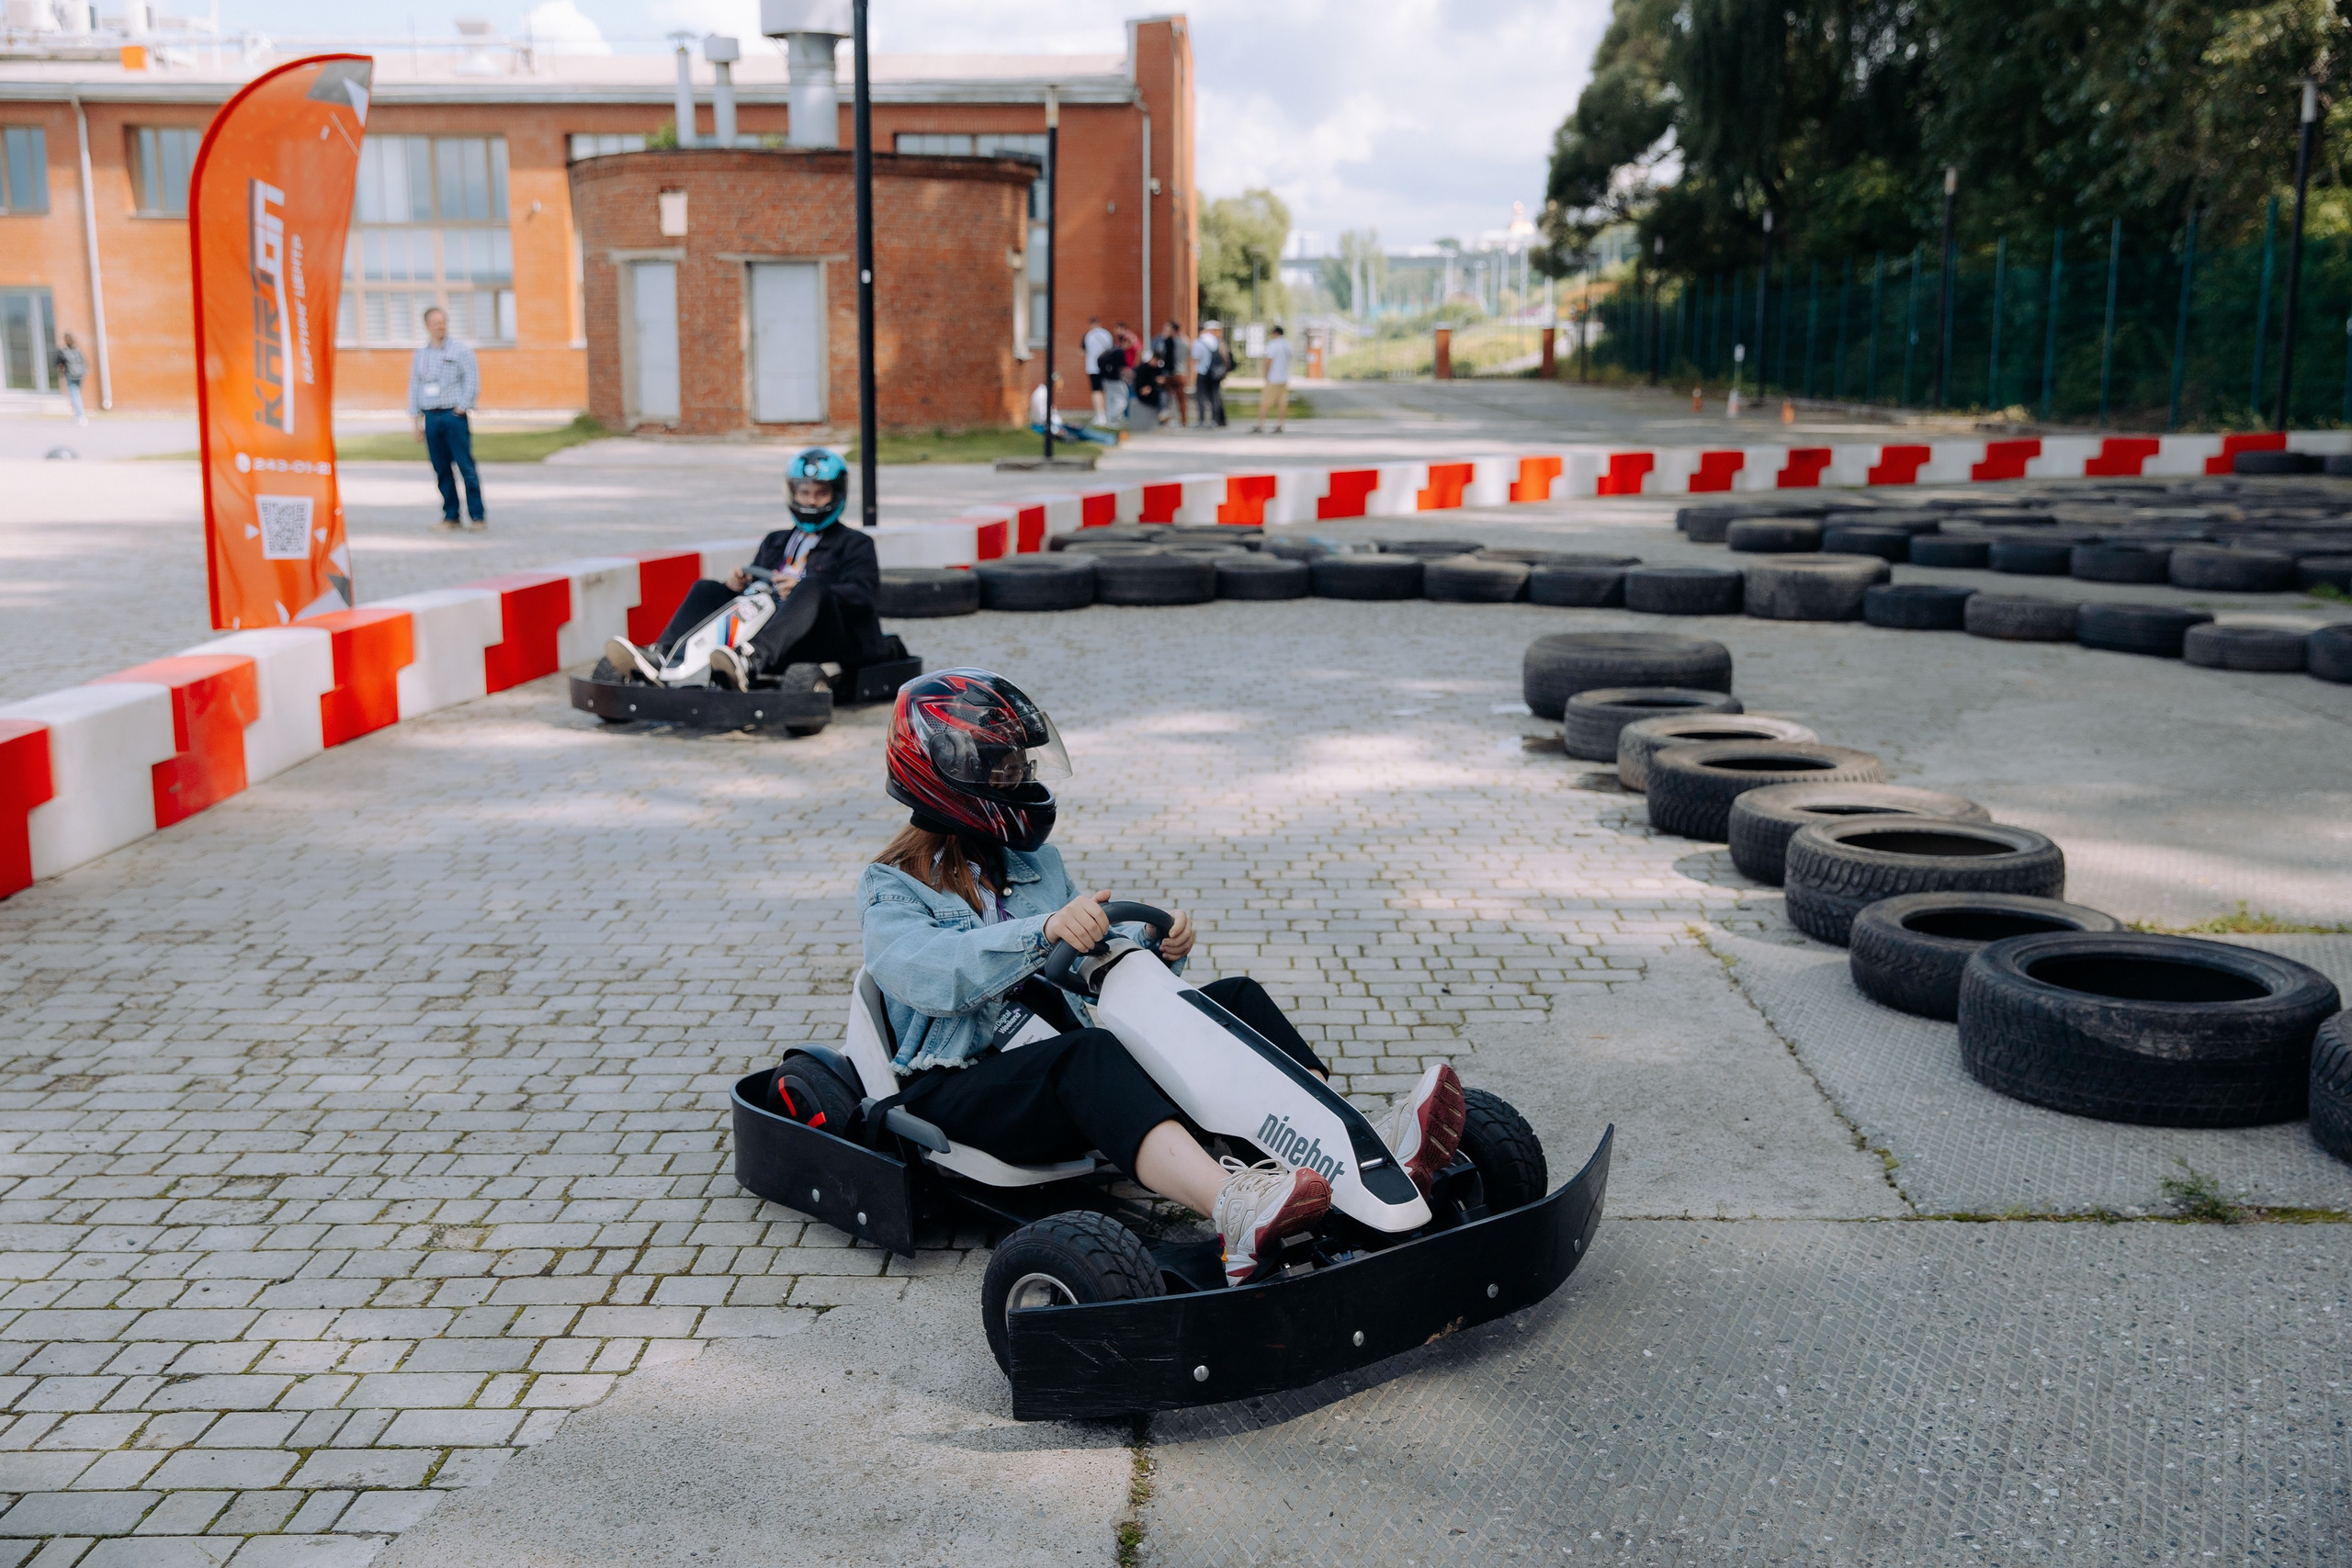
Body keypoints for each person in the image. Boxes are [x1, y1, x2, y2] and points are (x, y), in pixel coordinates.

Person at [858, 669, 1466, 1288]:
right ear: (949, 773)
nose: (1017, 780)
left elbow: (1086, 958)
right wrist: (1041, 932)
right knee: (1090, 1054)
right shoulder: (892, 886)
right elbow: (929, 972)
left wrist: (1154, 945)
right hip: (957, 1086)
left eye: (1019, 767)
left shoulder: (1033, 864)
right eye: (1001, 771)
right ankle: (1232, 1206)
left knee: (1234, 998)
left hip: (1050, 1058)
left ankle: (1350, 1147)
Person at [605, 448, 885, 689]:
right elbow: (755, 596)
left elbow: (862, 596)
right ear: (793, 493)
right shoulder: (776, 541)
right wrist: (736, 586)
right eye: (805, 493)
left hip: (823, 637)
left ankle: (750, 659)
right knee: (707, 588)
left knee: (812, 586)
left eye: (821, 494)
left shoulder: (855, 544)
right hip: (770, 627)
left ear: (836, 495)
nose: (811, 501)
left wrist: (803, 590)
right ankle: (663, 655)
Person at [408, 306, 485, 534]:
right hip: (431, 417)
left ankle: (477, 516)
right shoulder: (421, 355)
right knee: (441, 469)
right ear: (427, 326)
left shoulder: (461, 351)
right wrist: (416, 422)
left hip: (453, 416)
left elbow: (472, 380)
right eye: (435, 323)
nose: (440, 326)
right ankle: (451, 516)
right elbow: (414, 387)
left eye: (443, 322)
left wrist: (462, 408)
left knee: (465, 466)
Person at [1253, 324, 1293, 434]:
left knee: (1265, 401)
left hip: (1273, 378)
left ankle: (1260, 425)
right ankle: (1280, 425)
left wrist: (1265, 375)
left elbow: (1268, 361)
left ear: (1275, 333)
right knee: (1282, 403)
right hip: (1284, 378)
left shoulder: (1273, 344)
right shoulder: (1288, 345)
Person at [1193, 321, 1229, 427]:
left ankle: (1202, 420)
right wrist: (1225, 371)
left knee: (1201, 396)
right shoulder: (1216, 341)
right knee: (1215, 396)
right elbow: (1224, 356)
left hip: (1202, 371)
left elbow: (1195, 357)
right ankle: (1215, 419)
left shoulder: (1198, 342)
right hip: (1215, 372)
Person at [1157, 321, 1190, 426]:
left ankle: (1171, 420)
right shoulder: (1184, 341)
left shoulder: (1168, 342)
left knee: (1170, 399)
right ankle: (1183, 421)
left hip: (1172, 373)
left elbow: (1161, 353)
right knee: (1181, 399)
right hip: (1181, 372)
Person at [1081, 316, 1114, 423]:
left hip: (1093, 367)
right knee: (1107, 390)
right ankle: (1109, 413)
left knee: (1096, 391)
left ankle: (1100, 414)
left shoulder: (1088, 336)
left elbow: (1083, 351)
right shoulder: (1107, 334)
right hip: (1106, 367)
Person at [51, 334, 87, 426]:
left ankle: (80, 415)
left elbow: (58, 363)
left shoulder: (64, 351)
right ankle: (77, 414)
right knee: (77, 394)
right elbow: (83, 362)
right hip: (79, 375)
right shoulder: (77, 350)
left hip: (70, 374)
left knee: (74, 394)